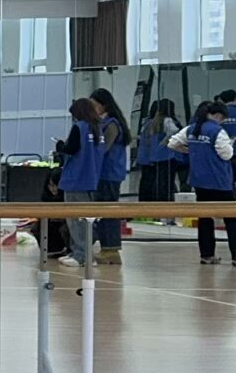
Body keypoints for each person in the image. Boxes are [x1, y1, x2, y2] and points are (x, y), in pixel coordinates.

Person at [170, 100, 236, 266]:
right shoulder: (217, 131)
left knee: (205, 218)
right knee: (232, 219)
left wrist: (190, 150)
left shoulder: (192, 129)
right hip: (220, 181)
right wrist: (230, 144)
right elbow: (226, 155)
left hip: (199, 181)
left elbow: (172, 143)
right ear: (218, 115)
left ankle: (207, 255)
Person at [56, 97, 107, 268]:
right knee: (86, 220)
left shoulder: (79, 128)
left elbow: (71, 149)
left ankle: (81, 255)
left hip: (75, 179)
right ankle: (81, 252)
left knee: (75, 220)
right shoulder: (98, 129)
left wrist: (60, 146)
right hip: (91, 179)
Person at [88, 88, 131, 263]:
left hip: (109, 174)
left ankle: (111, 248)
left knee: (109, 212)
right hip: (104, 173)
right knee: (102, 212)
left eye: (94, 105)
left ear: (104, 105)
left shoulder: (111, 124)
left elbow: (103, 148)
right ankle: (107, 247)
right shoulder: (102, 122)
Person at [136, 99, 183, 203]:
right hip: (166, 156)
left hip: (149, 157)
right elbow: (175, 131)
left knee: (149, 182)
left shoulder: (147, 122)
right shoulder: (167, 121)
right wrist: (165, 142)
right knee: (165, 183)